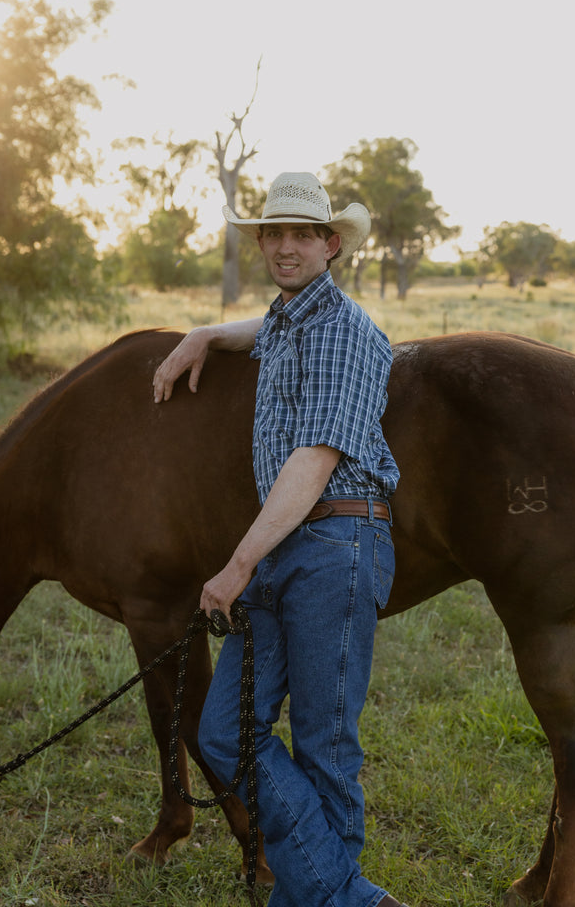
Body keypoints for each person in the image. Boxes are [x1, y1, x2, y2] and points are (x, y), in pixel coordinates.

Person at [153, 172, 407, 907]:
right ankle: (350, 899)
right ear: (262, 243)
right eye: (275, 234)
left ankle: (329, 899)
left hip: (336, 543)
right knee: (227, 734)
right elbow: (258, 332)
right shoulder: (286, 320)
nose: (288, 247)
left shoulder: (346, 331)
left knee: (326, 748)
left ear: (332, 244)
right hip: (284, 546)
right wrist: (203, 333)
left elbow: (316, 458)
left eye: (304, 235)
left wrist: (236, 565)